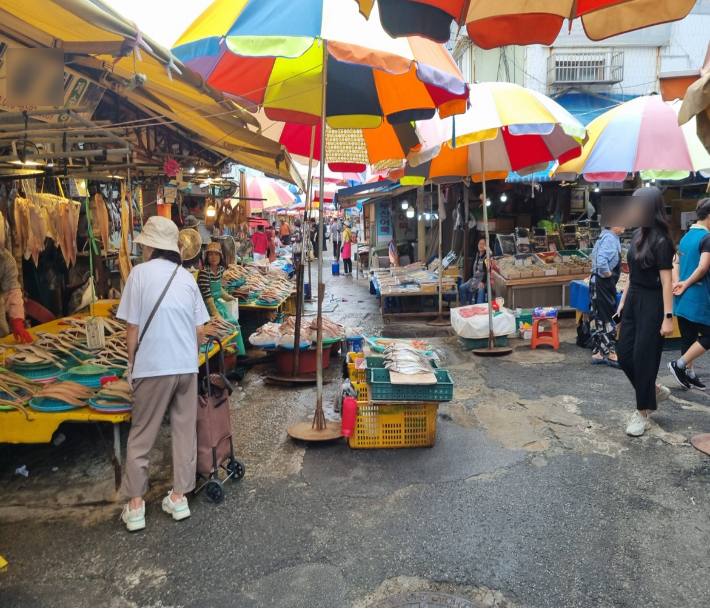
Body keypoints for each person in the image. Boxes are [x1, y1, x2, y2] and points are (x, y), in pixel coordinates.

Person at [117, 216, 210, 532]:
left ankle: (135, 506)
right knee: (185, 432)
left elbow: (132, 327)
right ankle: (179, 498)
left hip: (153, 367)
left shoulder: (139, 275)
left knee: (142, 435)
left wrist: (132, 364)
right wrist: (188, 356)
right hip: (185, 366)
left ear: (151, 246)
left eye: (143, 244)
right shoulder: (186, 278)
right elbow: (200, 330)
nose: (141, 249)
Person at [616, 187, 675, 437]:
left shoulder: (662, 241)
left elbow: (666, 283)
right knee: (623, 354)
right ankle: (653, 390)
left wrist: (668, 317)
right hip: (633, 300)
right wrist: (622, 302)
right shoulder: (638, 234)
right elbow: (631, 273)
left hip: (653, 302)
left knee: (643, 357)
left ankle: (642, 414)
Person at [668, 198, 710, 390]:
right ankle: (679, 365)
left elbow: (675, 261)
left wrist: (677, 282)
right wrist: (685, 284)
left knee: (689, 337)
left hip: (682, 298)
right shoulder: (706, 238)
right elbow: (703, 267)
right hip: (697, 296)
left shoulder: (686, 237)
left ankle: (689, 373)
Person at [589, 226, 624, 368]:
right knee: (609, 316)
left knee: (597, 315)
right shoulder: (609, 238)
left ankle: (597, 352)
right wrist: (609, 278)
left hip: (597, 281)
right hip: (602, 282)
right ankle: (611, 353)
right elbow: (601, 262)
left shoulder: (605, 236)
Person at [459, 237, 488, 305]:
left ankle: (479, 309)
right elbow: (472, 266)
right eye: (480, 244)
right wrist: (471, 278)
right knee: (461, 288)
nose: (481, 246)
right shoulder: (476, 255)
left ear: (486, 246)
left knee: (481, 290)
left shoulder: (487, 257)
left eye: (483, 244)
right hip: (474, 280)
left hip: (483, 281)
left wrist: (483, 282)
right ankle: (463, 306)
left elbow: (487, 271)